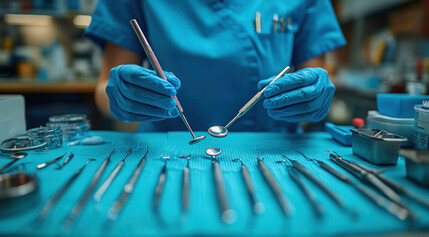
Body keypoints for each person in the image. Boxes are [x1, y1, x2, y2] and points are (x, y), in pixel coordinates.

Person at [85, 0, 346, 133]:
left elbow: (312, 80)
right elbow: (104, 89)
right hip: (165, 152)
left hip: (273, 153)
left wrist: (313, 99)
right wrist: (120, 95)